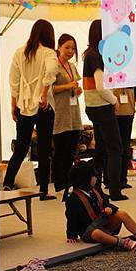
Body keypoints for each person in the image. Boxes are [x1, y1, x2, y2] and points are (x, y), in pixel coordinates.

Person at [4, 19, 59, 200]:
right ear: (49, 35)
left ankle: (8, 183)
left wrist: (14, 104)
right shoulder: (49, 53)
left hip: (23, 104)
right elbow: (51, 73)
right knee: (44, 149)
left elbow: (14, 80)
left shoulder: (20, 52)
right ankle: (44, 190)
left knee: (20, 147)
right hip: (43, 106)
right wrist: (43, 94)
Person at [64, 160, 136, 251]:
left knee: (122, 214)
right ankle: (123, 243)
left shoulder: (96, 190)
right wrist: (71, 235)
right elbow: (71, 217)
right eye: (93, 176)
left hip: (103, 222)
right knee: (96, 234)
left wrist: (109, 208)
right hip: (88, 230)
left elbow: (106, 202)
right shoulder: (73, 198)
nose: (96, 178)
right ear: (84, 179)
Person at [82, 20, 127, 201]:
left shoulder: (89, 54)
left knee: (101, 149)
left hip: (92, 107)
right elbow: (101, 87)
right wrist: (114, 100)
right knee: (116, 148)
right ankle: (115, 190)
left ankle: (96, 186)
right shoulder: (96, 56)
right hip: (101, 107)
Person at [52, 34, 83, 194]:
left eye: (73, 48)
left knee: (71, 150)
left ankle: (69, 181)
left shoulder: (72, 66)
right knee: (60, 150)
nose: (70, 51)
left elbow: (77, 88)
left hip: (73, 112)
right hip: (60, 112)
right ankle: (59, 182)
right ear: (59, 47)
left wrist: (77, 89)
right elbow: (49, 89)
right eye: (67, 47)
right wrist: (67, 86)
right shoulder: (53, 66)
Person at [106, 86, 136, 190]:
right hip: (113, 113)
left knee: (125, 148)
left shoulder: (133, 75)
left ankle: (122, 179)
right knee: (113, 148)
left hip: (128, 113)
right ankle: (110, 180)